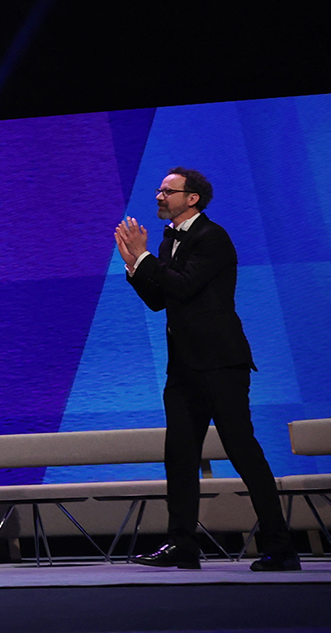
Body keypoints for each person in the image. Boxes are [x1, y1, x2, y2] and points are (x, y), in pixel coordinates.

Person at [114, 167, 297, 571]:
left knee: (241, 449)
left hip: (220, 361)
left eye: (167, 190)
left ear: (192, 198)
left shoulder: (213, 237)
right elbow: (160, 300)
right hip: (182, 365)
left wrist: (144, 257)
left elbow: (184, 285)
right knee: (179, 456)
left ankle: (280, 545)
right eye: (159, 190)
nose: (159, 196)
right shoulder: (167, 240)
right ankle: (182, 544)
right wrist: (134, 266)